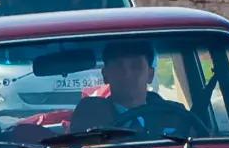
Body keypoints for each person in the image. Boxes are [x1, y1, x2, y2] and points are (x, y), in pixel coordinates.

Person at [70, 41, 203, 140]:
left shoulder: (175, 116)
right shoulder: (90, 117)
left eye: (136, 66)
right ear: (105, 75)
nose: (127, 74)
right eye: (118, 66)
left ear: (150, 75)